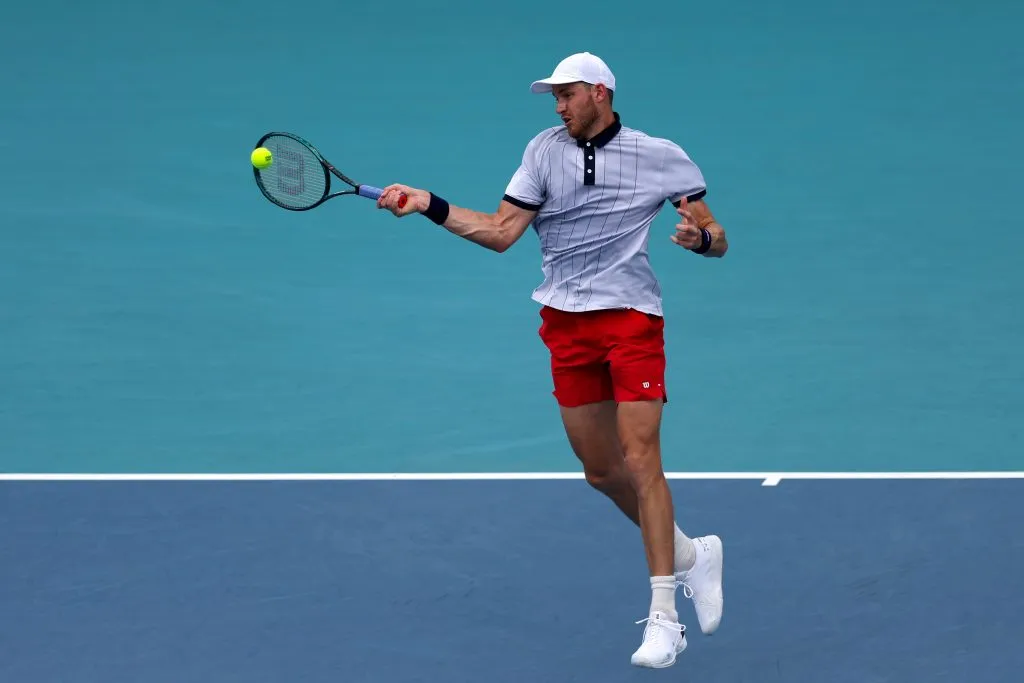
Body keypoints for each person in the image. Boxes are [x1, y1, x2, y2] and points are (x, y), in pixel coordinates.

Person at [376, 51, 727, 669]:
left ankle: (666, 618)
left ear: (599, 92)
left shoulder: (661, 155)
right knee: (601, 470)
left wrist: (700, 239)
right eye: (554, 98)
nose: (558, 107)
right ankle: (693, 556)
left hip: (630, 319)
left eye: (566, 95)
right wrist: (427, 204)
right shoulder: (543, 151)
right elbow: (500, 231)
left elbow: (714, 235)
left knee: (642, 457)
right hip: (565, 324)